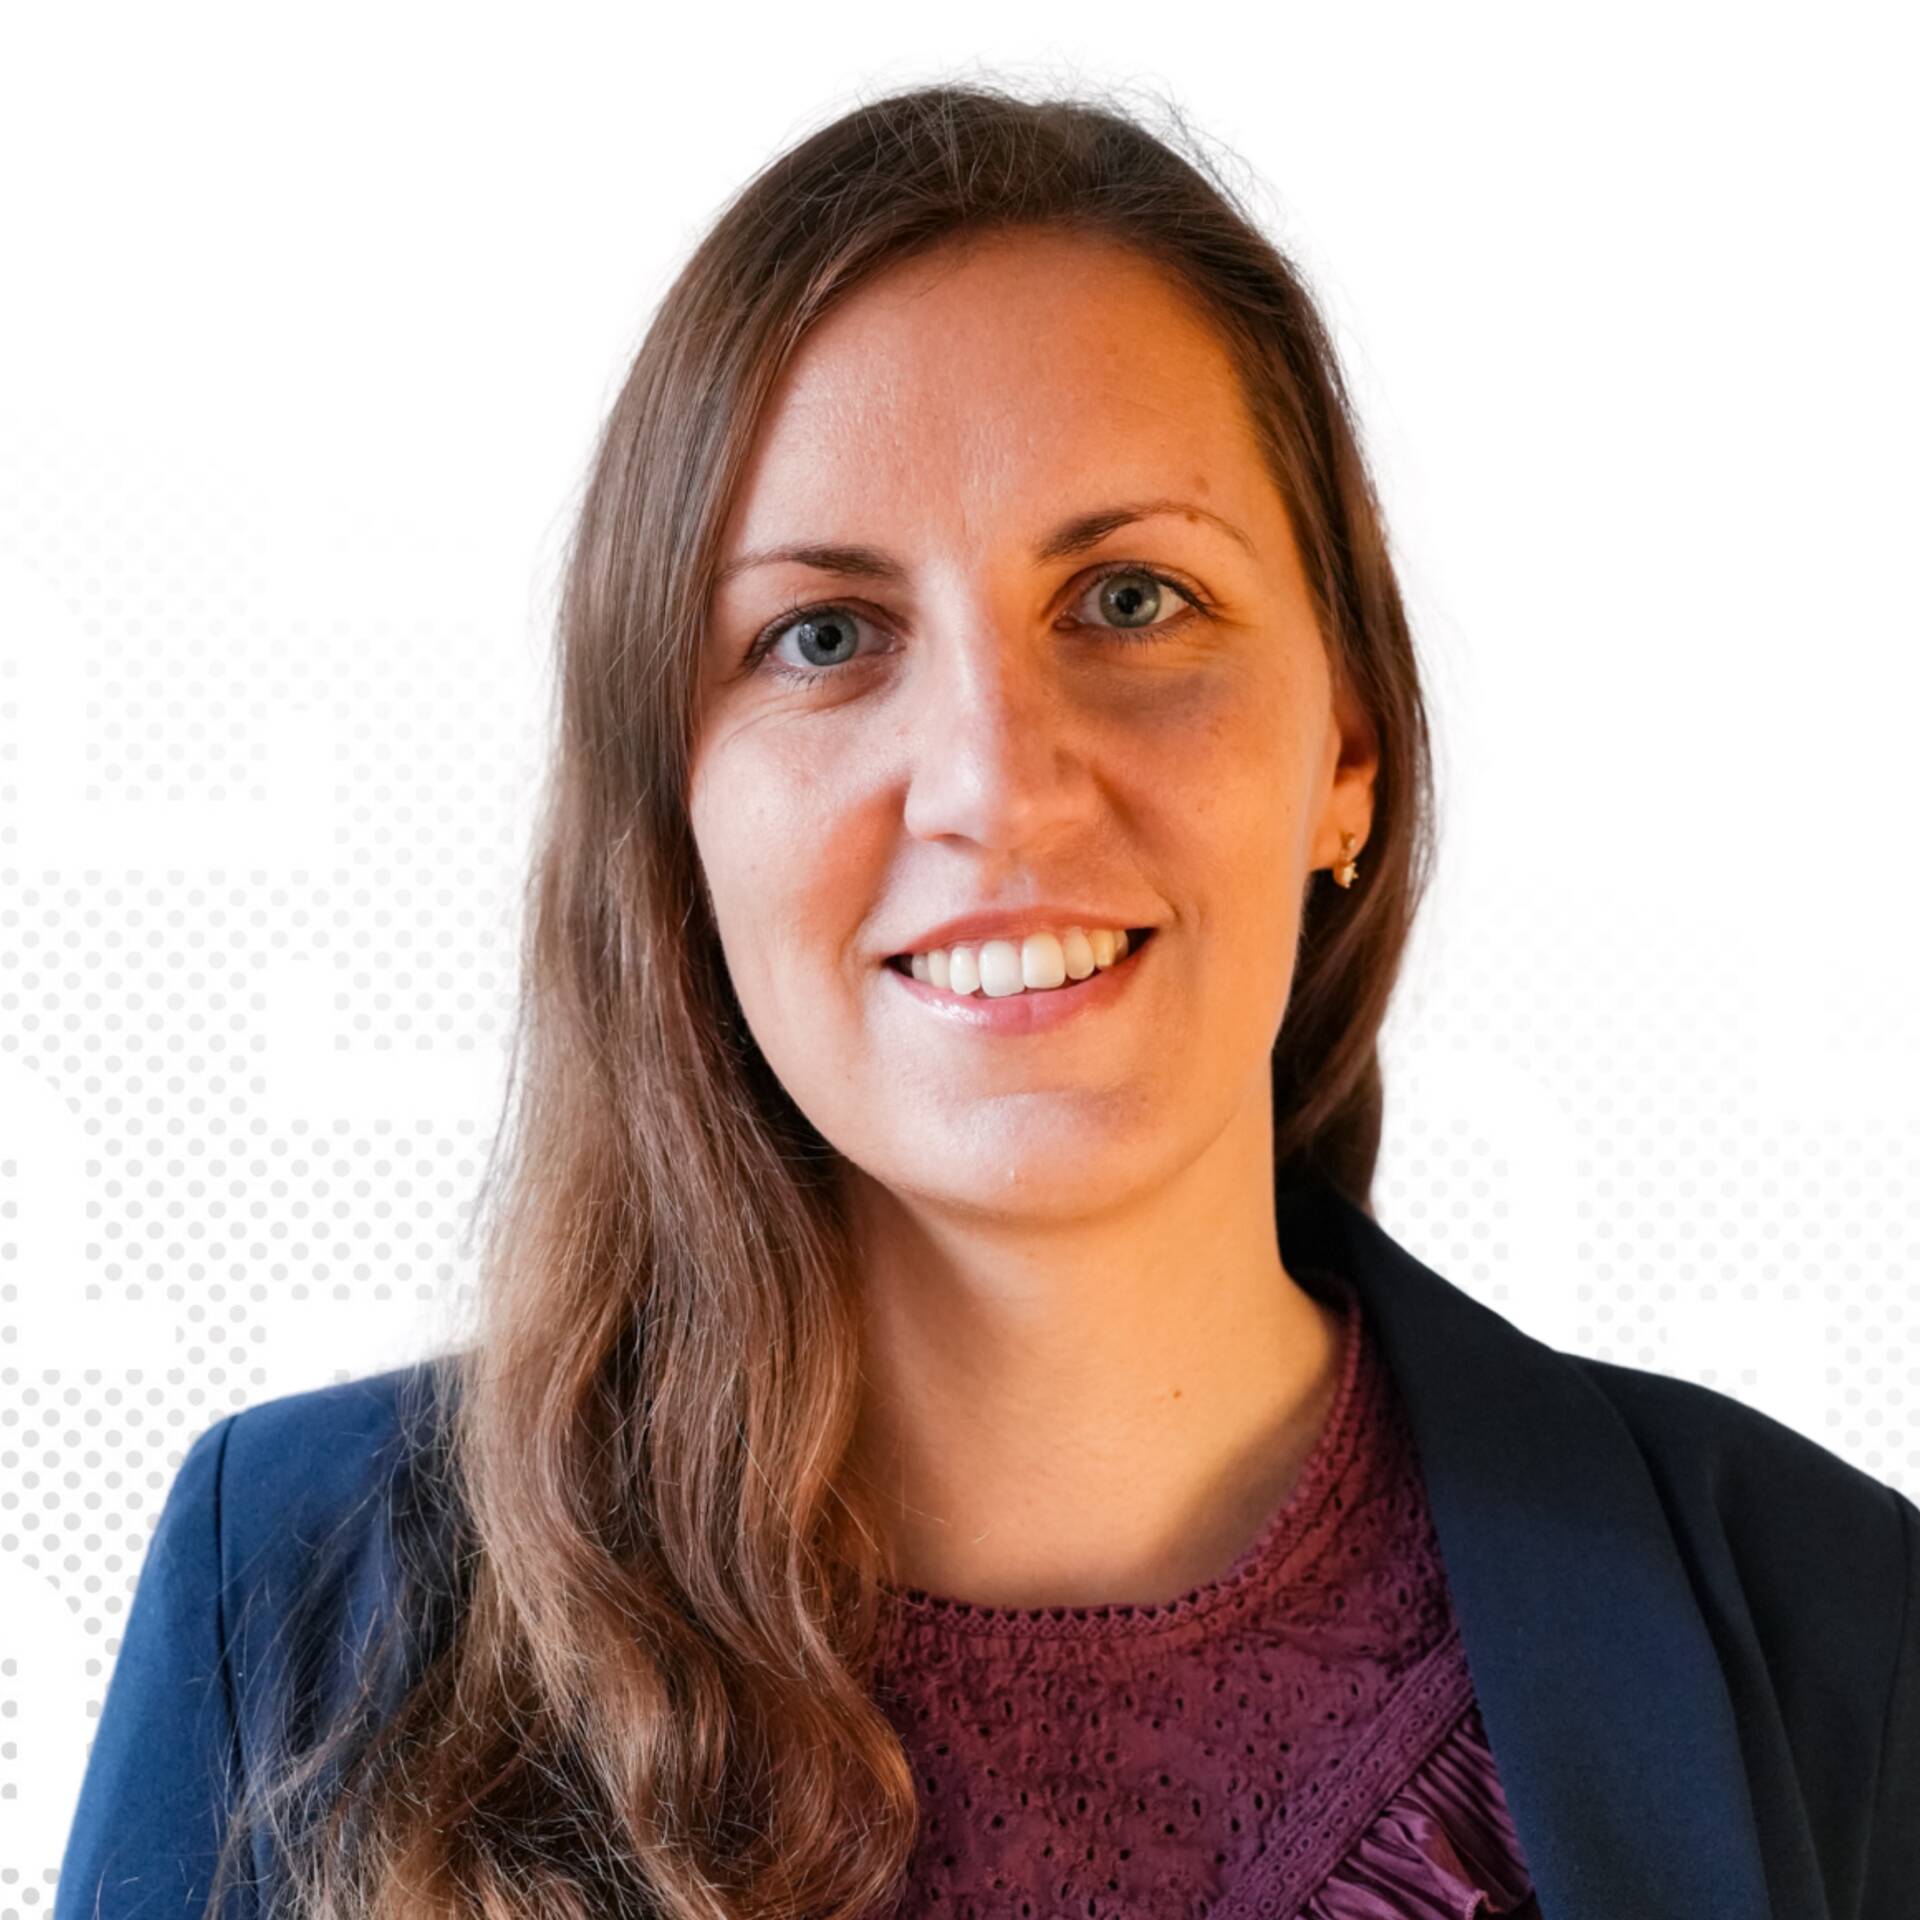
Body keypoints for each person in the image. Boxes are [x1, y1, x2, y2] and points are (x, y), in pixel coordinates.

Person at [53, 79, 1916, 1920]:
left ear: (1344, 748)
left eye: (1129, 602)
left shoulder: (1834, 1627)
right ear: (676, 815)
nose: (997, 783)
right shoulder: (287, 1601)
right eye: (825, 637)